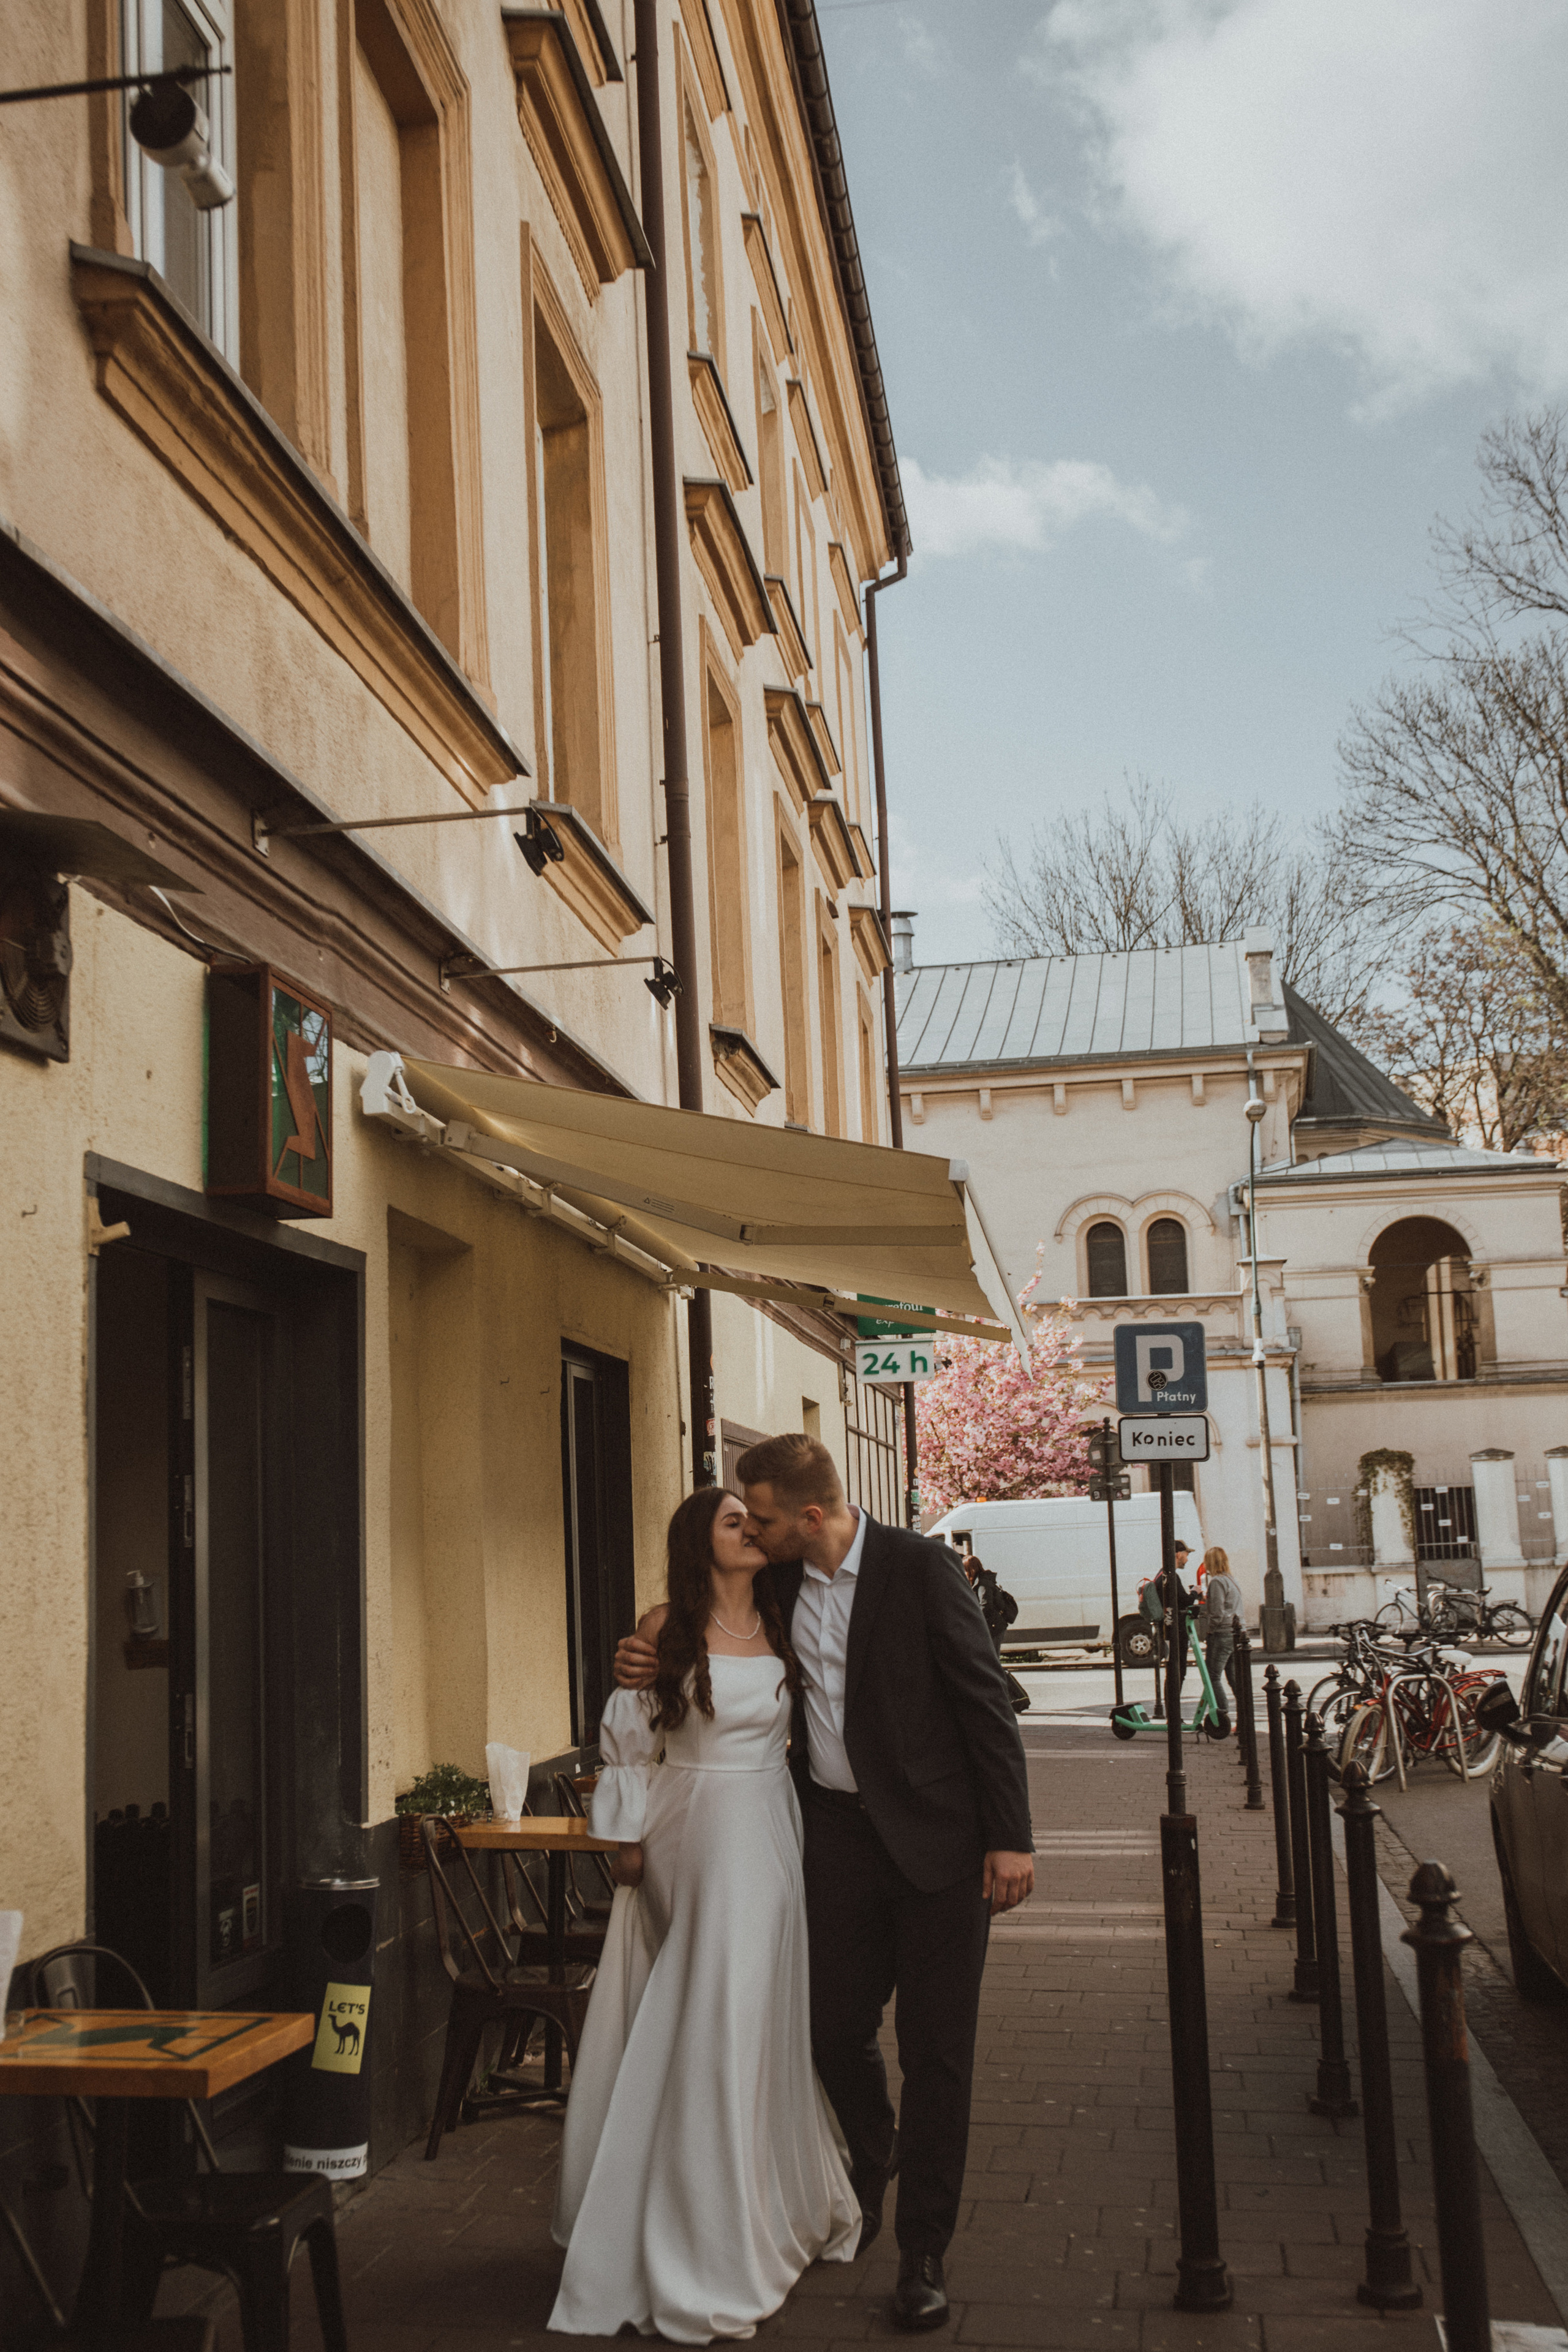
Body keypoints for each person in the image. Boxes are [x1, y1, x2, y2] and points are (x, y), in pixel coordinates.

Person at [614, 1436, 1033, 2334]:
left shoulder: (920, 1569)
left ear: (808, 1516)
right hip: (833, 1843)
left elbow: (983, 1700)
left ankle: (922, 2251)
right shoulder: (780, 1584)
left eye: (759, 1517)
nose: (750, 1531)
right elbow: (702, 1641)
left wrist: (1011, 1839)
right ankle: (869, 2155)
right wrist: (642, 1657)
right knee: (829, 2027)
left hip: (940, 1851)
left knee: (938, 2052)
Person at [548, 1487, 861, 2342]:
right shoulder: (660, 1627)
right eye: (735, 1522)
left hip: (770, 1825)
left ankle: (746, 2206)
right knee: (710, 2008)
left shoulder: (783, 1609)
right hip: (693, 1827)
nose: (752, 1531)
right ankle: (692, 2234)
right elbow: (630, 1731)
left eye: (755, 1522)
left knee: (753, 2016)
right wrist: (627, 1841)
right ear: (700, 1542)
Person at [1200, 1545, 1245, 1735]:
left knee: (1212, 1676)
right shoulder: (1231, 1580)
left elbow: (1217, 1613)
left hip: (1222, 1634)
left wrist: (1208, 1632)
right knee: (1235, 1679)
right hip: (1236, 1634)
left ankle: (1221, 1716)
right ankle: (1243, 1721)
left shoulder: (1217, 1582)